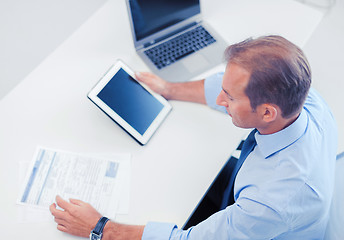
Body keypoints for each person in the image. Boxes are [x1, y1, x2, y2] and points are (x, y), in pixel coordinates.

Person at [50, 35, 338, 239]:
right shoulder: (302, 96)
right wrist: (168, 89)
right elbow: (223, 85)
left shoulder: (272, 201)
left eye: (230, 97)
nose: (218, 98)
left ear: (266, 113)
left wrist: (101, 228)